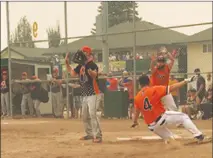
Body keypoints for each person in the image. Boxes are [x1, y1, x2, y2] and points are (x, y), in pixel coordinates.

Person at [131, 74, 206, 144]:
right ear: (149, 82)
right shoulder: (154, 89)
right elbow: (172, 87)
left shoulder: (137, 97)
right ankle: (199, 136)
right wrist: (186, 81)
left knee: (172, 139)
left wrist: (135, 122)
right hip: (162, 118)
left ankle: (172, 145)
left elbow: (136, 112)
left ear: (139, 84)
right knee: (184, 117)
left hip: (152, 126)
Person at [65, 46, 102, 143]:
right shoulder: (80, 66)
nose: (82, 54)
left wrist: (89, 70)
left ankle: (98, 135)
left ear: (88, 53)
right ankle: (89, 134)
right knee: (85, 116)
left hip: (93, 93)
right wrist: (67, 63)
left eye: (84, 52)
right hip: (85, 93)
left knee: (92, 114)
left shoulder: (92, 64)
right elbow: (72, 73)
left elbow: (95, 74)